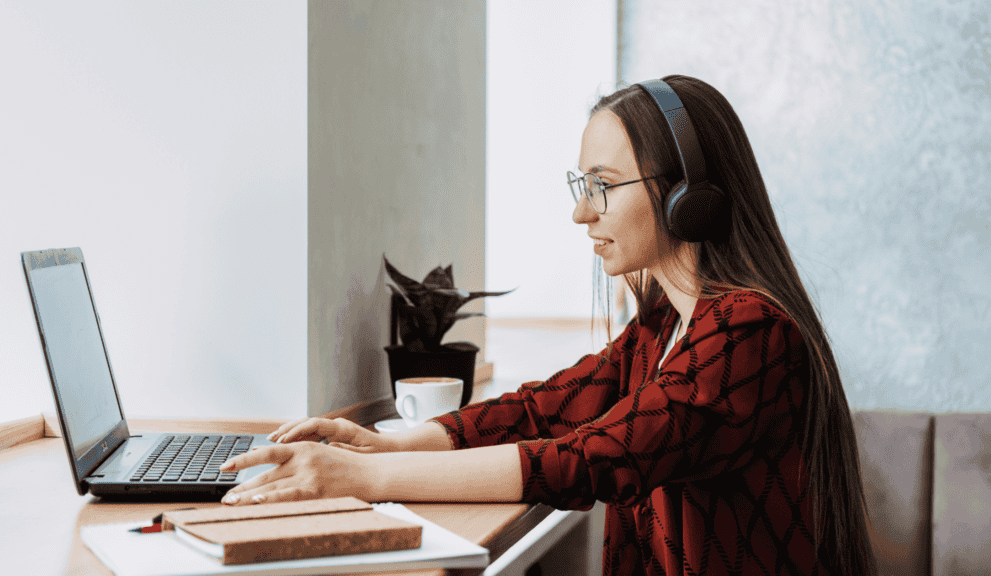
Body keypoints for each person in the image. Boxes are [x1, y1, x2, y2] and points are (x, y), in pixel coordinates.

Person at [218, 75, 876, 576]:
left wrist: (364, 479)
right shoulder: (661, 329)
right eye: (579, 186)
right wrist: (388, 446)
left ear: (688, 198)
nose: (581, 214)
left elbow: (595, 457)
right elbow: (546, 410)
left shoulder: (748, 333)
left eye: (604, 186)